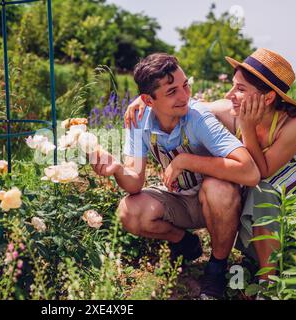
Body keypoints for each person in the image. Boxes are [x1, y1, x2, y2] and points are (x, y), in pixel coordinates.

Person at [124, 48, 296, 291]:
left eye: (241, 89)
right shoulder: (227, 108)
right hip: (252, 173)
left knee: (263, 193)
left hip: (289, 172)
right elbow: (184, 105)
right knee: (241, 189)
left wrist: (246, 125)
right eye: (233, 85)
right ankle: (247, 261)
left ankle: (268, 282)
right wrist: (143, 99)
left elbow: (262, 171)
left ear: (267, 98)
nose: (230, 94)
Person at [90, 52, 260, 299]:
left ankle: (217, 267)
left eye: (185, 86)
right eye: (172, 92)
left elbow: (249, 171)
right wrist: (117, 169)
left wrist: (186, 160)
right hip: (179, 200)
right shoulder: (138, 121)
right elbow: (135, 181)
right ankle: (184, 242)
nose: (184, 96)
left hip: (216, 202)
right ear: (148, 100)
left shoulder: (198, 117)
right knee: (129, 211)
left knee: (217, 188)